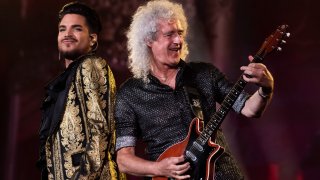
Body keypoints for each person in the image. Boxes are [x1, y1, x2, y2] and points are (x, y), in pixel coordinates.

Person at [115, 0, 274, 179]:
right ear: (149, 40)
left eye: (180, 33)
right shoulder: (130, 93)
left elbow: (250, 109)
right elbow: (123, 159)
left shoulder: (205, 73)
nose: (178, 40)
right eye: (169, 34)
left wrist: (266, 89)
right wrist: (158, 169)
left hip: (223, 174)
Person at [37, 2, 126, 180]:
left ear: (92, 39)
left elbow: (100, 131)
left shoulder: (91, 65)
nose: (67, 34)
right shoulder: (67, 78)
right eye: (62, 29)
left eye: (76, 29)